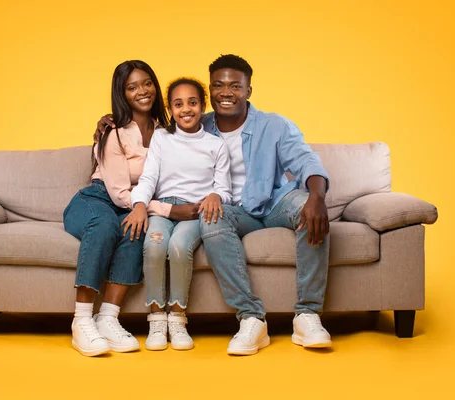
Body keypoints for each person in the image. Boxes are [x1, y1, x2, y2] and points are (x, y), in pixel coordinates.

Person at [96, 54, 332, 356]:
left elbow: (306, 160)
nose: (226, 92)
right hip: (231, 210)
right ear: (210, 92)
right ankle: (250, 319)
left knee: (305, 207)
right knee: (210, 217)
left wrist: (317, 196)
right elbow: (159, 132)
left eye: (235, 86)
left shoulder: (274, 125)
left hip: (273, 201)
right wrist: (111, 121)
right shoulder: (198, 124)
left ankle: (308, 316)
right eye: (219, 85)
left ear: (249, 90)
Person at [63, 60, 172, 357]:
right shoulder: (115, 132)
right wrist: (164, 210)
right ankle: (82, 321)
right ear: (121, 94)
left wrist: (144, 210)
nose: (143, 91)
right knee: (107, 225)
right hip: (97, 199)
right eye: (132, 87)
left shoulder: (166, 131)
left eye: (147, 83)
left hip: (129, 206)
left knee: (137, 230)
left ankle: (108, 318)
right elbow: (117, 191)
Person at [125, 78, 231, 351]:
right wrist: (139, 203)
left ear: (203, 105)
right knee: (155, 242)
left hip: (195, 211)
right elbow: (148, 178)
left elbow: (224, 189)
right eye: (178, 103)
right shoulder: (162, 137)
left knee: (179, 246)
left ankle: (178, 319)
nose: (186, 109)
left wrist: (215, 196)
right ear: (170, 109)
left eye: (193, 102)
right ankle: (157, 319)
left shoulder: (215, 145)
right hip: (163, 206)